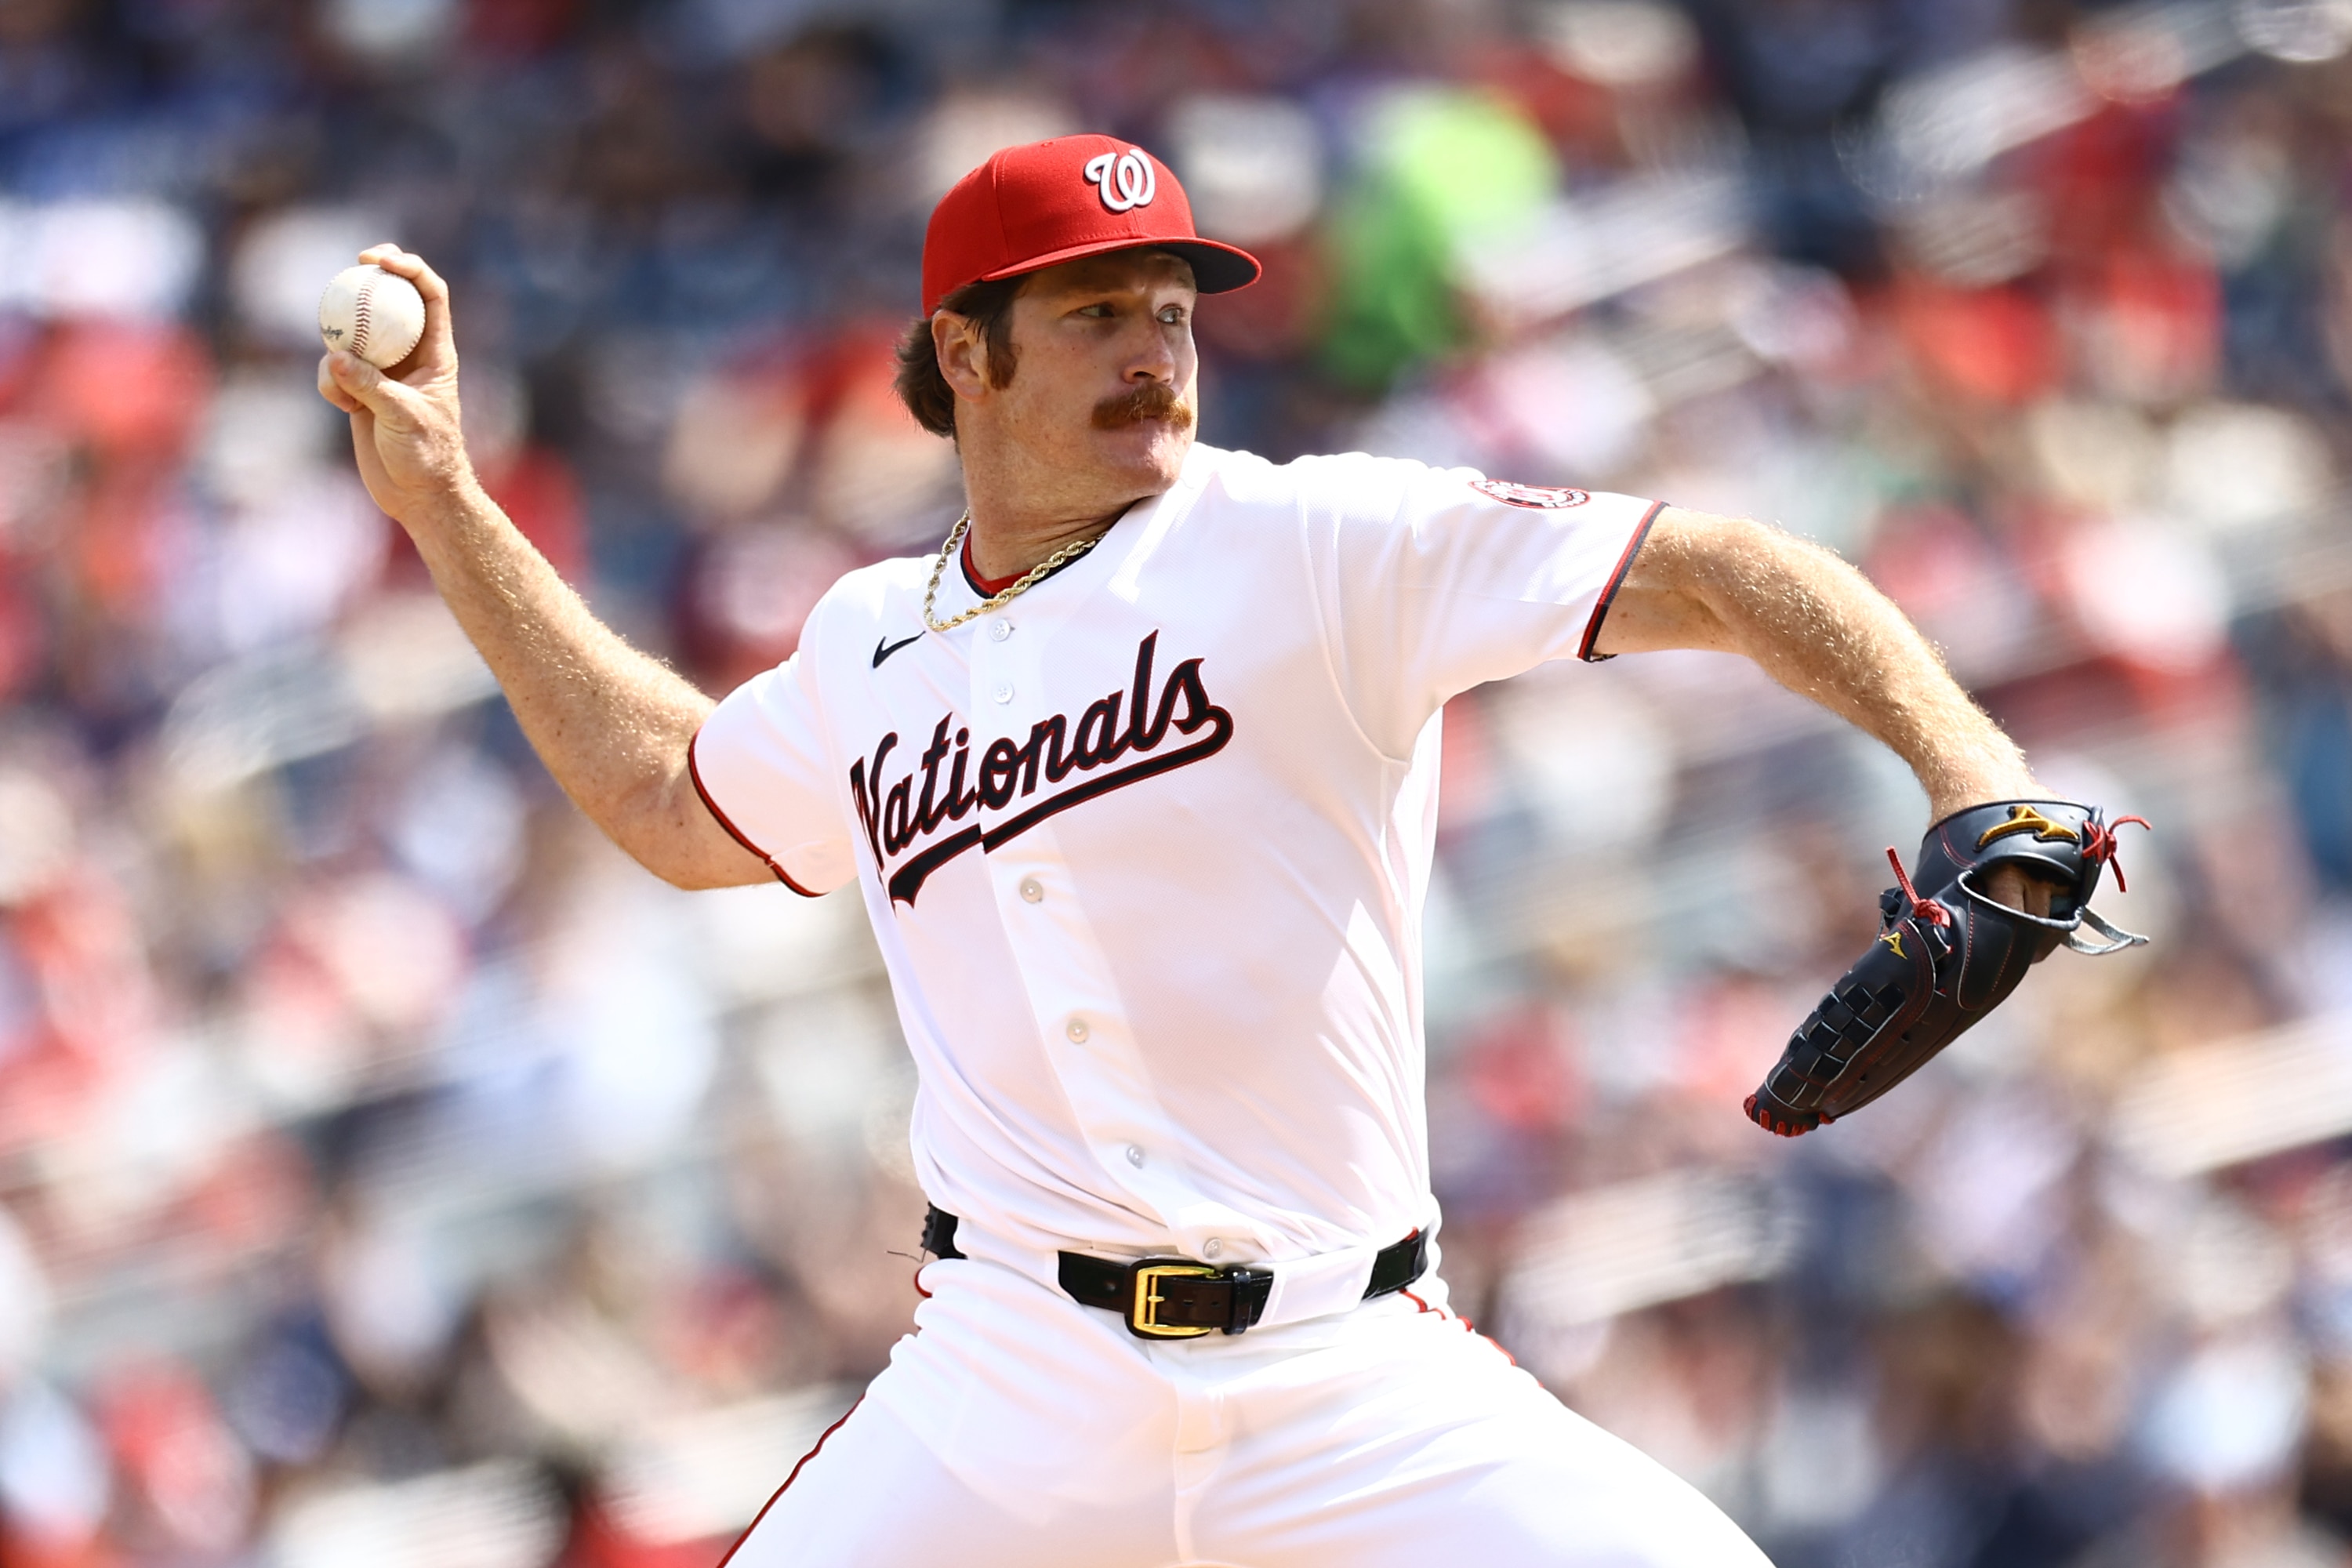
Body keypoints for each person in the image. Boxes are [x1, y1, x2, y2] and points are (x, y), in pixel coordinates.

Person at [319, 134, 2053, 1566]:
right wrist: (446, 504)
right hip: (1013, 1377)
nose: (1155, 350)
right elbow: (670, 799)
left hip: (1349, 1370)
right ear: (966, 354)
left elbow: (1718, 570)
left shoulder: (1312, 541)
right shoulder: (865, 642)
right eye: (1095, 314)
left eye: (1172, 310)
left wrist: (1976, 773)